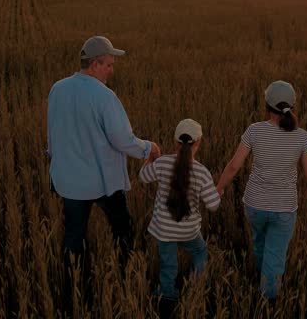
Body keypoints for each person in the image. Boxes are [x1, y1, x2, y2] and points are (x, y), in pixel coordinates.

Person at [46, 36, 161, 296]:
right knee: (122, 228)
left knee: (74, 235)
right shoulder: (104, 96)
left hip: (69, 181)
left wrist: (54, 158)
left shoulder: (58, 88)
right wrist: (149, 148)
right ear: (95, 64)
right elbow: (122, 140)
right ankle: (128, 274)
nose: (112, 69)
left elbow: (52, 132)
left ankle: (71, 287)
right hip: (102, 182)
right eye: (108, 64)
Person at [216, 80, 307, 301]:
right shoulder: (303, 137)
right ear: (293, 105)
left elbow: (233, 166)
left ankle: (261, 281)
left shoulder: (254, 130)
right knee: (275, 255)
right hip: (283, 209)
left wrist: (219, 188)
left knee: (260, 243)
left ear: (266, 105)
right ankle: (267, 302)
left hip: (254, 205)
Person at [138, 119, 220, 314]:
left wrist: (150, 160)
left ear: (175, 142)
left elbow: (143, 176)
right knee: (200, 253)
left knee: (168, 264)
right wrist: (218, 193)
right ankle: (197, 287)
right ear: (198, 142)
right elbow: (214, 205)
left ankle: (167, 296)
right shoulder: (202, 172)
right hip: (189, 231)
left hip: (163, 230)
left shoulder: (162, 162)